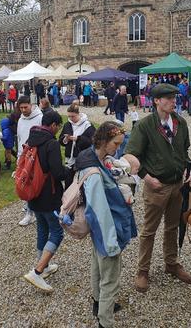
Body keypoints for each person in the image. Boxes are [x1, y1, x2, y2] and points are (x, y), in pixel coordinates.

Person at [125, 83, 191, 293]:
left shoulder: (180, 123)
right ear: (156, 100)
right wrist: (146, 177)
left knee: (172, 226)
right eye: (168, 98)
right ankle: (142, 271)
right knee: (149, 231)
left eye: (174, 97)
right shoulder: (145, 125)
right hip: (156, 187)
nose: (174, 101)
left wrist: (188, 169)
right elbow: (131, 155)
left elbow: (184, 150)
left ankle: (171, 264)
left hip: (177, 185)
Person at [76, 121, 137, 328]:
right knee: (110, 277)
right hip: (107, 229)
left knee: (97, 264)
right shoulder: (93, 171)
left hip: (103, 229)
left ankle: (97, 302)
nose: (117, 149)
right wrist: (111, 241)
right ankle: (105, 320)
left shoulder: (98, 158)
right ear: (103, 141)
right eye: (115, 144)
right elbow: (99, 210)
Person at [23, 111, 66, 292]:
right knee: (57, 232)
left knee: (42, 228)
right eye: (58, 127)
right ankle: (38, 271)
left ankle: (45, 265)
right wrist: (70, 171)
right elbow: (57, 172)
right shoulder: (51, 143)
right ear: (54, 125)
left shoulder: (31, 138)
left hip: (33, 194)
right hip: (49, 195)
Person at [17, 95, 43, 226]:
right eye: (20, 107)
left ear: (31, 105)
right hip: (23, 155)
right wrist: (19, 156)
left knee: (35, 184)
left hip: (35, 156)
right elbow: (20, 137)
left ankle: (32, 212)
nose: (23, 110)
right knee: (25, 183)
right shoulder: (20, 119)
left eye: (25, 107)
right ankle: (29, 211)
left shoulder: (40, 117)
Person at [59, 103, 95, 188]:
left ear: (78, 114)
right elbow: (60, 139)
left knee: (80, 181)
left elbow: (92, 141)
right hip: (69, 159)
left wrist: (78, 139)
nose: (71, 118)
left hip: (82, 157)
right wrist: (65, 140)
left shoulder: (87, 125)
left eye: (73, 116)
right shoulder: (67, 124)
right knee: (68, 180)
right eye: (69, 116)